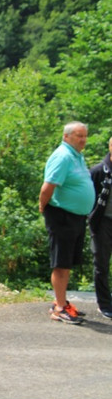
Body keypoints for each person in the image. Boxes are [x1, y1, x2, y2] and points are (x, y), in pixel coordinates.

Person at [38, 121, 95, 324]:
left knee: (67, 262)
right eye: (79, 135)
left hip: (75, 217)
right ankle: (60, 308)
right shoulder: (63, 156)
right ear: (66, 137)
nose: (83, 139)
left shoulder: (76, 156)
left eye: (85, 135)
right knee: (61, 263)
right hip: (62, 215)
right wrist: (43, 206)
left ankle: (61, 301)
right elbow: (48, 187)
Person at [89, 136, 112, 320]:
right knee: (101, 263)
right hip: (102, 221)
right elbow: (88, 196)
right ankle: (104, 304)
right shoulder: (99, 171)